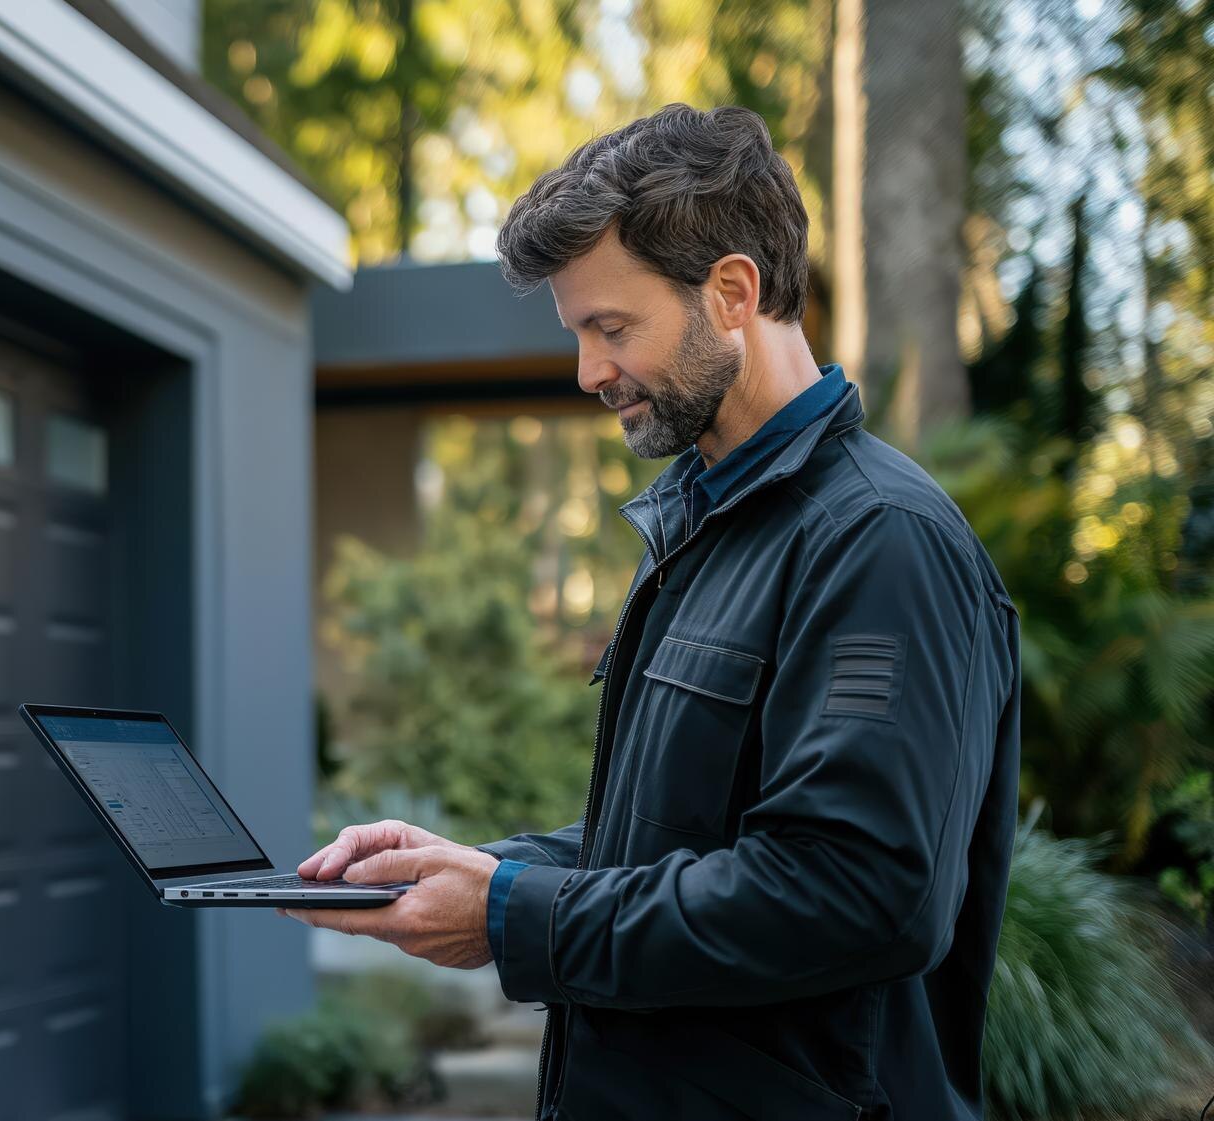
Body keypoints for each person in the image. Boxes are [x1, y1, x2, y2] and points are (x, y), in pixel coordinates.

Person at [282, 103, 1022, 1120]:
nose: (588, 371)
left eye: (610, 326)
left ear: (730, 292)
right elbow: (676, 839)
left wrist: (511, 916)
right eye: (579, 332)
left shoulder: (878, 543)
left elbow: (850, 894)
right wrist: (484, 867)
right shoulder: (704, 524)